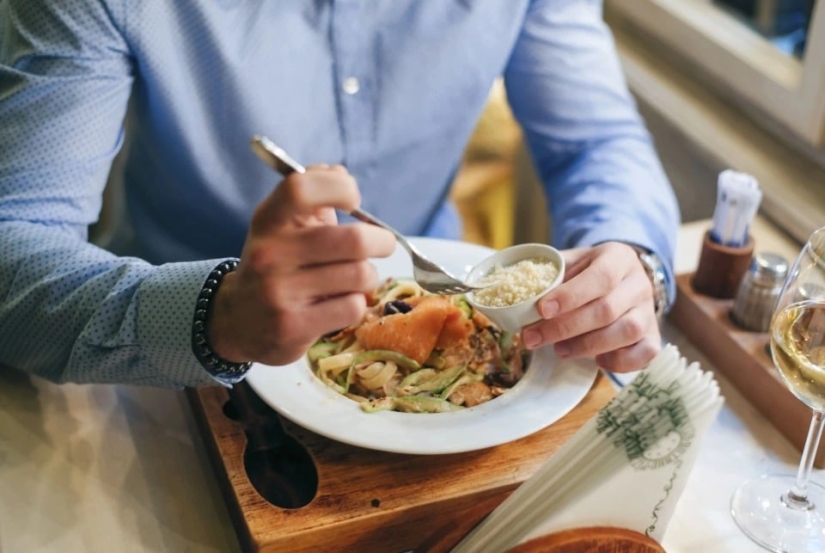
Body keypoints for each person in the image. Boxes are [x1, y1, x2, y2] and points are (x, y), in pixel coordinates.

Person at [0, 0, 679, 388]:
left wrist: (634, 261)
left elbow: (596, 142)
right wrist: (214, 313)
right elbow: (14, 243)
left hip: (444, 306)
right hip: (154, 374)